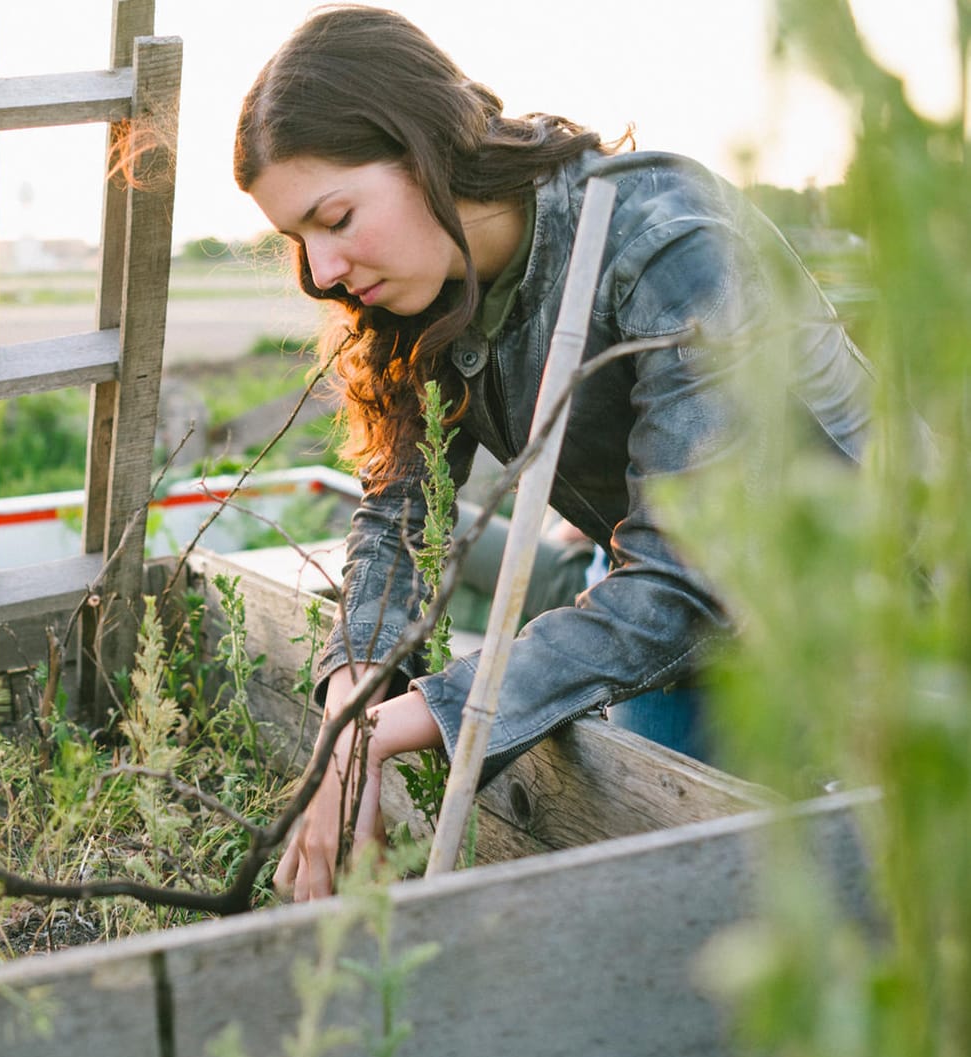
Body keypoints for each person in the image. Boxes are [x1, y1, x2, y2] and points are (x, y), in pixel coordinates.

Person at [233, 5, 874, 900]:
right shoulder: (427, 297)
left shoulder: (663, 238)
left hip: (876, 618)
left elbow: (688, 574)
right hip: (695, 627)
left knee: (790, 907)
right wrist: (349, 709)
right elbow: (399, 520)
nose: (324, 270)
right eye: (299, 239)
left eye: (335, 217)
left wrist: (409, 722)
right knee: (627, 875)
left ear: (424, 147)